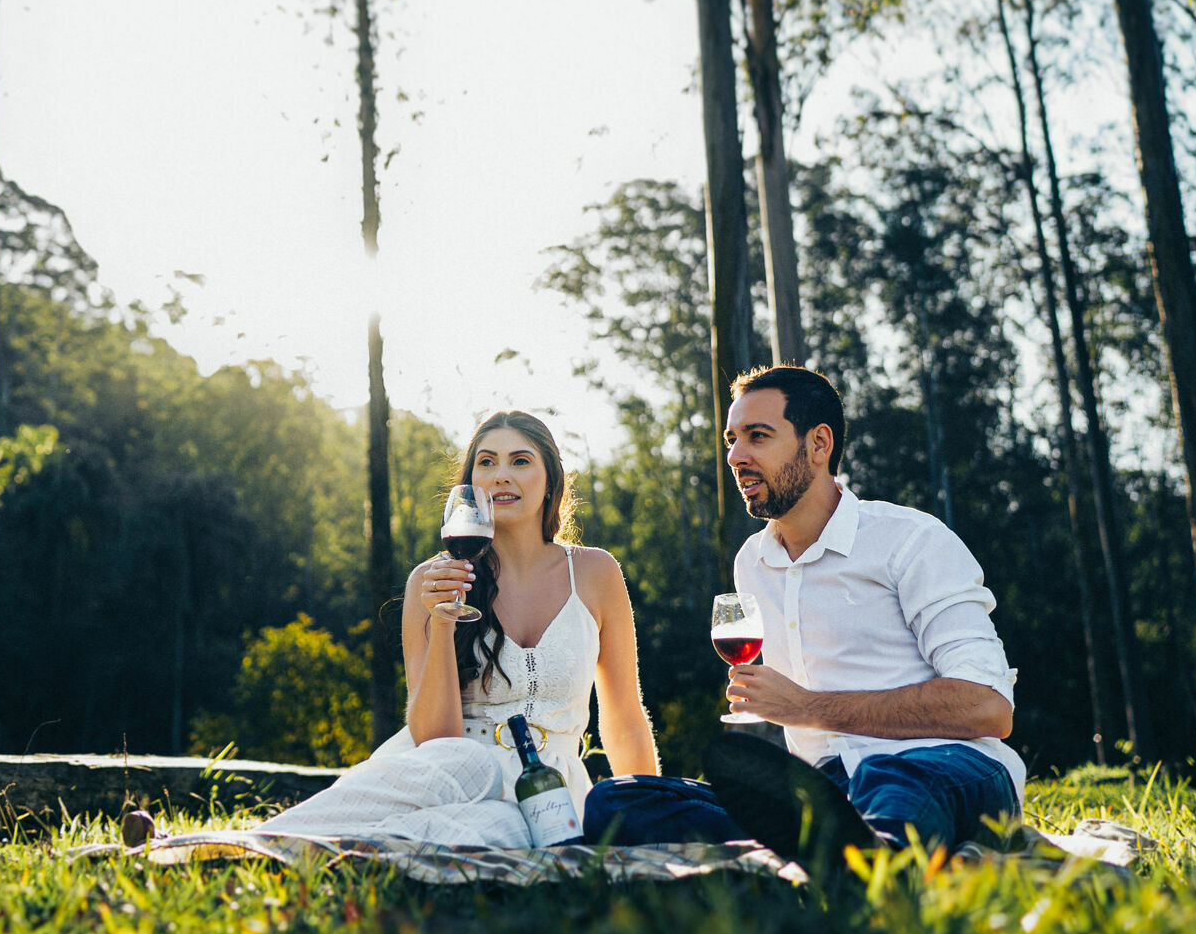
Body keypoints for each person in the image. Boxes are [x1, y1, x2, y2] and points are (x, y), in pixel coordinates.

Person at [584, 365, 1023, 864]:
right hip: (822, 788)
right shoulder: (752, 562)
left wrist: (809, 706)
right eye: (731, 440)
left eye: (758, 436)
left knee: (889, 778)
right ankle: (828, 852)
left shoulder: (912, 541)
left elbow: (988, 707)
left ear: (819, 444)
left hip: (943, 768)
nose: (735, 456)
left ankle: (868, 870)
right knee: (618, 802)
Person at [256, 410, 660, 846]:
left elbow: (624, 718)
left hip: (550, 791)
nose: (501, 475)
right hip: (449, 769)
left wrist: (651, 819)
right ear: (470, 487)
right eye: (486, 463)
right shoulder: (428, 582)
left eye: (520, 461)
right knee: (462, 765)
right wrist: (444, 621)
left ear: (551, 480)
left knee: (449, 837)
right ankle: (257, 842)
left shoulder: (596, 573)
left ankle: (304, 848)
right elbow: (434, 738)